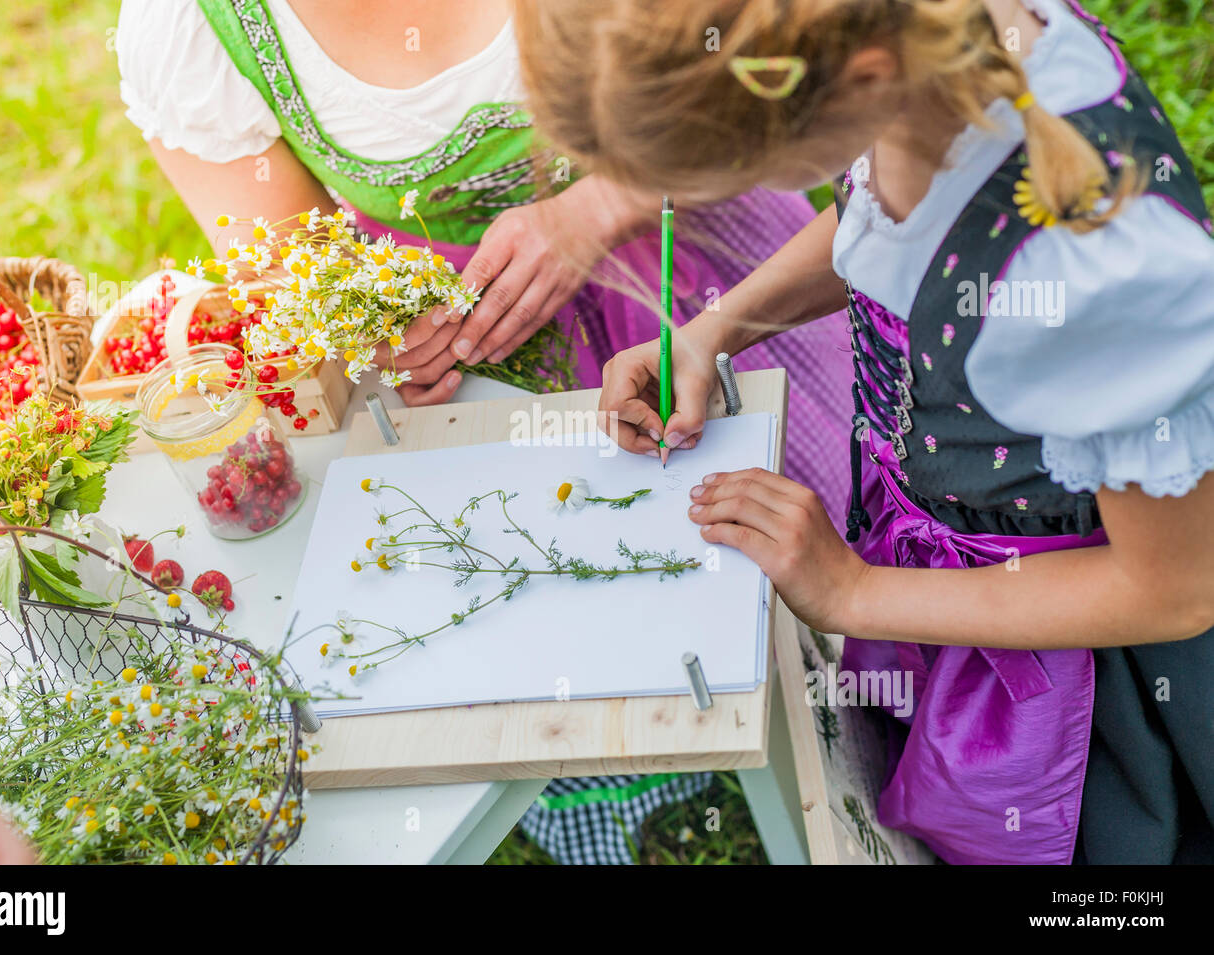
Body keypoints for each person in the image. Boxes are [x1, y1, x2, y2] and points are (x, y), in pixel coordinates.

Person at [117, 0, 853, 864]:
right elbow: (292, 261)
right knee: (542, 597)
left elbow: (772, 52)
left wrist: (597, 205)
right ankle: (630, 738)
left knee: (807, 550)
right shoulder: (193, 27)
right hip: (476, 362)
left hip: (688, 248)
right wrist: (378, 324)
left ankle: (835, 693)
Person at [518, 0, 1214, 863]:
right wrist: (714, 329)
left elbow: (1176, 588)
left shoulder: (1098, 277)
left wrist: (852, 594)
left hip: (1082, 665)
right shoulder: (911, 47)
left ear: (863, 83)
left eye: (747, 170)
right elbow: (882, 222)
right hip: (948, 577)